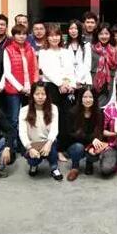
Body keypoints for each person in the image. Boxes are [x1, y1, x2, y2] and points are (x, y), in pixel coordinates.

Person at [38, 24, 76, 161]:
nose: (54, 38)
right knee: (52, 118)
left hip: (66, 87)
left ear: (61, 37)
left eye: (57, 35)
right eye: (51, 35)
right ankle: (52, 149)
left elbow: (71, 69)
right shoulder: (43, 52)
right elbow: (46, 71)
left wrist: (70, 84)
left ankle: (62, 149)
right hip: (51, 87)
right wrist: (60, 83)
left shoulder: (66, 51)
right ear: (47, 37)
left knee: (65, 118)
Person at [19, 81, 63, 181]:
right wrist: (30, 148)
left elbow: (54, 129)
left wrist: (48, 144)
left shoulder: (53, 108)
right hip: (32, 144)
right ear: (32, 95)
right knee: (33, 160)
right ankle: (33, 165)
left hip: (48, 142)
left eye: (43, 94)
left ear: (47, 95)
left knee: (52, 148)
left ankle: (54, 167)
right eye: (37, 94)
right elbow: (22, 132)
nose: (40, 97)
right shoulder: (24, 110)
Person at [4, 24, 39, 146]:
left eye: (24, 34)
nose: (21, 36)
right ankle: (11, 146)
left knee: (27, 118)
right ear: (13, 36)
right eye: (18, 34)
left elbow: (35, 69)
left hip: (29, 89)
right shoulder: (8, 50)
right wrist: (21, 88)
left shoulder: (31, 49)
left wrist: (33, 86)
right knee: (13, 119)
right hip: (14, 89)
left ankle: (24, 145)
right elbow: (7, 73)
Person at [64, 87, 104, 181]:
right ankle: (75, 167)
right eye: (85, 97)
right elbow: (71, 135)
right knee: (78, 147)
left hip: (90, 144)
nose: (88, 100)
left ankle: (89, 163)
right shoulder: (72, 112)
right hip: (75, 144)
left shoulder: (99, 113)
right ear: (80, 98)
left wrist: (93, 144)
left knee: (97, 145)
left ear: (94, 99)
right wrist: (91, 140)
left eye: (90, 97)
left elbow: (99, 132)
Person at [90, 22, 117, 108]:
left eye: (106, 33)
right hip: (93, 82)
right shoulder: (91, 48)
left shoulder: (114, 50)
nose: (104, 36)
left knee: (106, 107)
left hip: (109, 84)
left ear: (110, 35)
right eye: (101, 34)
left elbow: (115, 67)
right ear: (97, 35)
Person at [65, 19, 92, 88]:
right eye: (71, 28)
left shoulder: (86, 45)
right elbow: (64, 66)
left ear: (79, 30)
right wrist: (72, 81)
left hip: (83, 82)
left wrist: (79, 80)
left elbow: (87, 66)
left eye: (76, 28)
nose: (73, 31)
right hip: (69, 83)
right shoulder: (64, 46)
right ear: (68, 30)